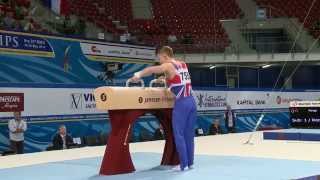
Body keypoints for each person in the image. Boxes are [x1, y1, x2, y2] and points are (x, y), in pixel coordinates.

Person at [130, 46, 197, 171]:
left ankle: (183, 166)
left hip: (182, 103)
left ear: (165, 56)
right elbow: (178, 80)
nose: (159, 61)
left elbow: (151, 69)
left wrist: (138, 74)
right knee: (189, 135)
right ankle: (190, 163)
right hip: (192, 102)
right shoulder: (182, 64)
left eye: (159, 58)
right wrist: (165, 79)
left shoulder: (168, 65)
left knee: (178, 134)